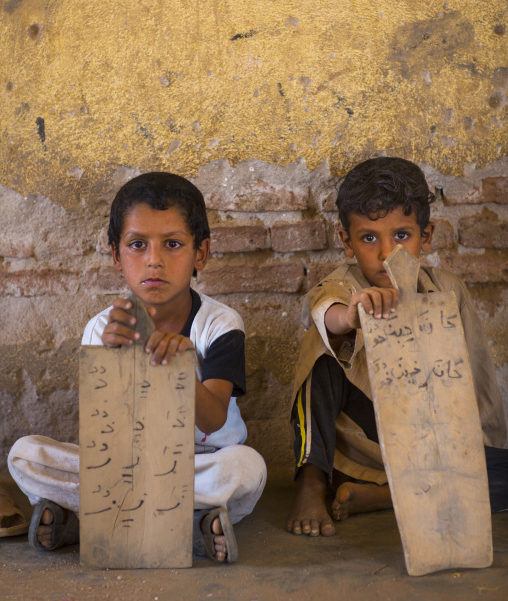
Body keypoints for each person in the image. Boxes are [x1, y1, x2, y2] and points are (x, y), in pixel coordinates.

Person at [9, 172, 266, 561]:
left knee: (247, 469)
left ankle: (87, 518)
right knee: (25, 455)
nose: (154, 260)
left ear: (201, 253)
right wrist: (115, 361)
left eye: (173, 244)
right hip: (123, 466)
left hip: (200, 463)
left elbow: (213, 420)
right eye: (137, 244)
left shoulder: (219, 324)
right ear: (116, 254)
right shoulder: (102, 328)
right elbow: (104, 434)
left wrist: (179, 367)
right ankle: (194, 524)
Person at [287, 156, 508, 537]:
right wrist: (351, 318)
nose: (386, 252)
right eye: (369, 238)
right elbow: (326, 311)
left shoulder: (448, 290)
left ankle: (384, 497)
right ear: (347, 242)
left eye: (402, 236)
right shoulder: (345, 285)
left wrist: (481, 449)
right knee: (320, 346)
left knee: (500, 473)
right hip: (367, 447)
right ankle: (311, 483)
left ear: (427, 235)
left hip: (435, 446)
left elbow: (478, 379)